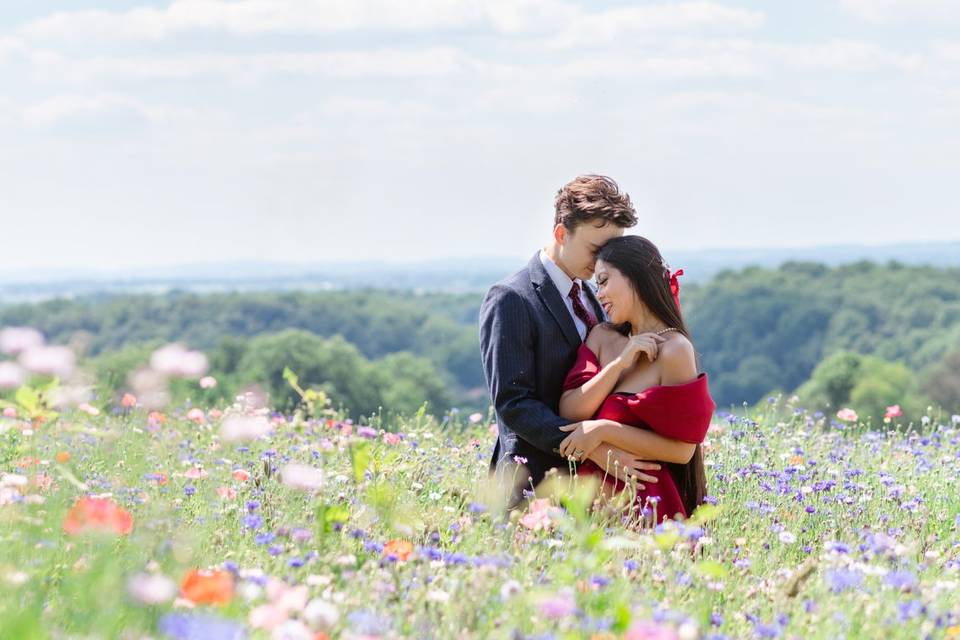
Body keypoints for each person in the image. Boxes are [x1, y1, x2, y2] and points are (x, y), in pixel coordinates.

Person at [480, 175, 675, 511]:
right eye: (596, 250)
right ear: (560, 234)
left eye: (612, 251)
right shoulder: (511, 298)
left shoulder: (591, 296)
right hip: (532, 487)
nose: (605, 262)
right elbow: (513, 403)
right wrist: (592, 446)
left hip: (594, 494)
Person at [556, 235, 715, 525]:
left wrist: (603, 429)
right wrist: (619, 363)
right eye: (596, 285)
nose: (599, 294)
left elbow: (682, 450)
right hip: (584, 506)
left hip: (645, 510)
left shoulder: (675, 350)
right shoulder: (602, 337)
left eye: (604, 281)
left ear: (636, 277)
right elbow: (569, 411)